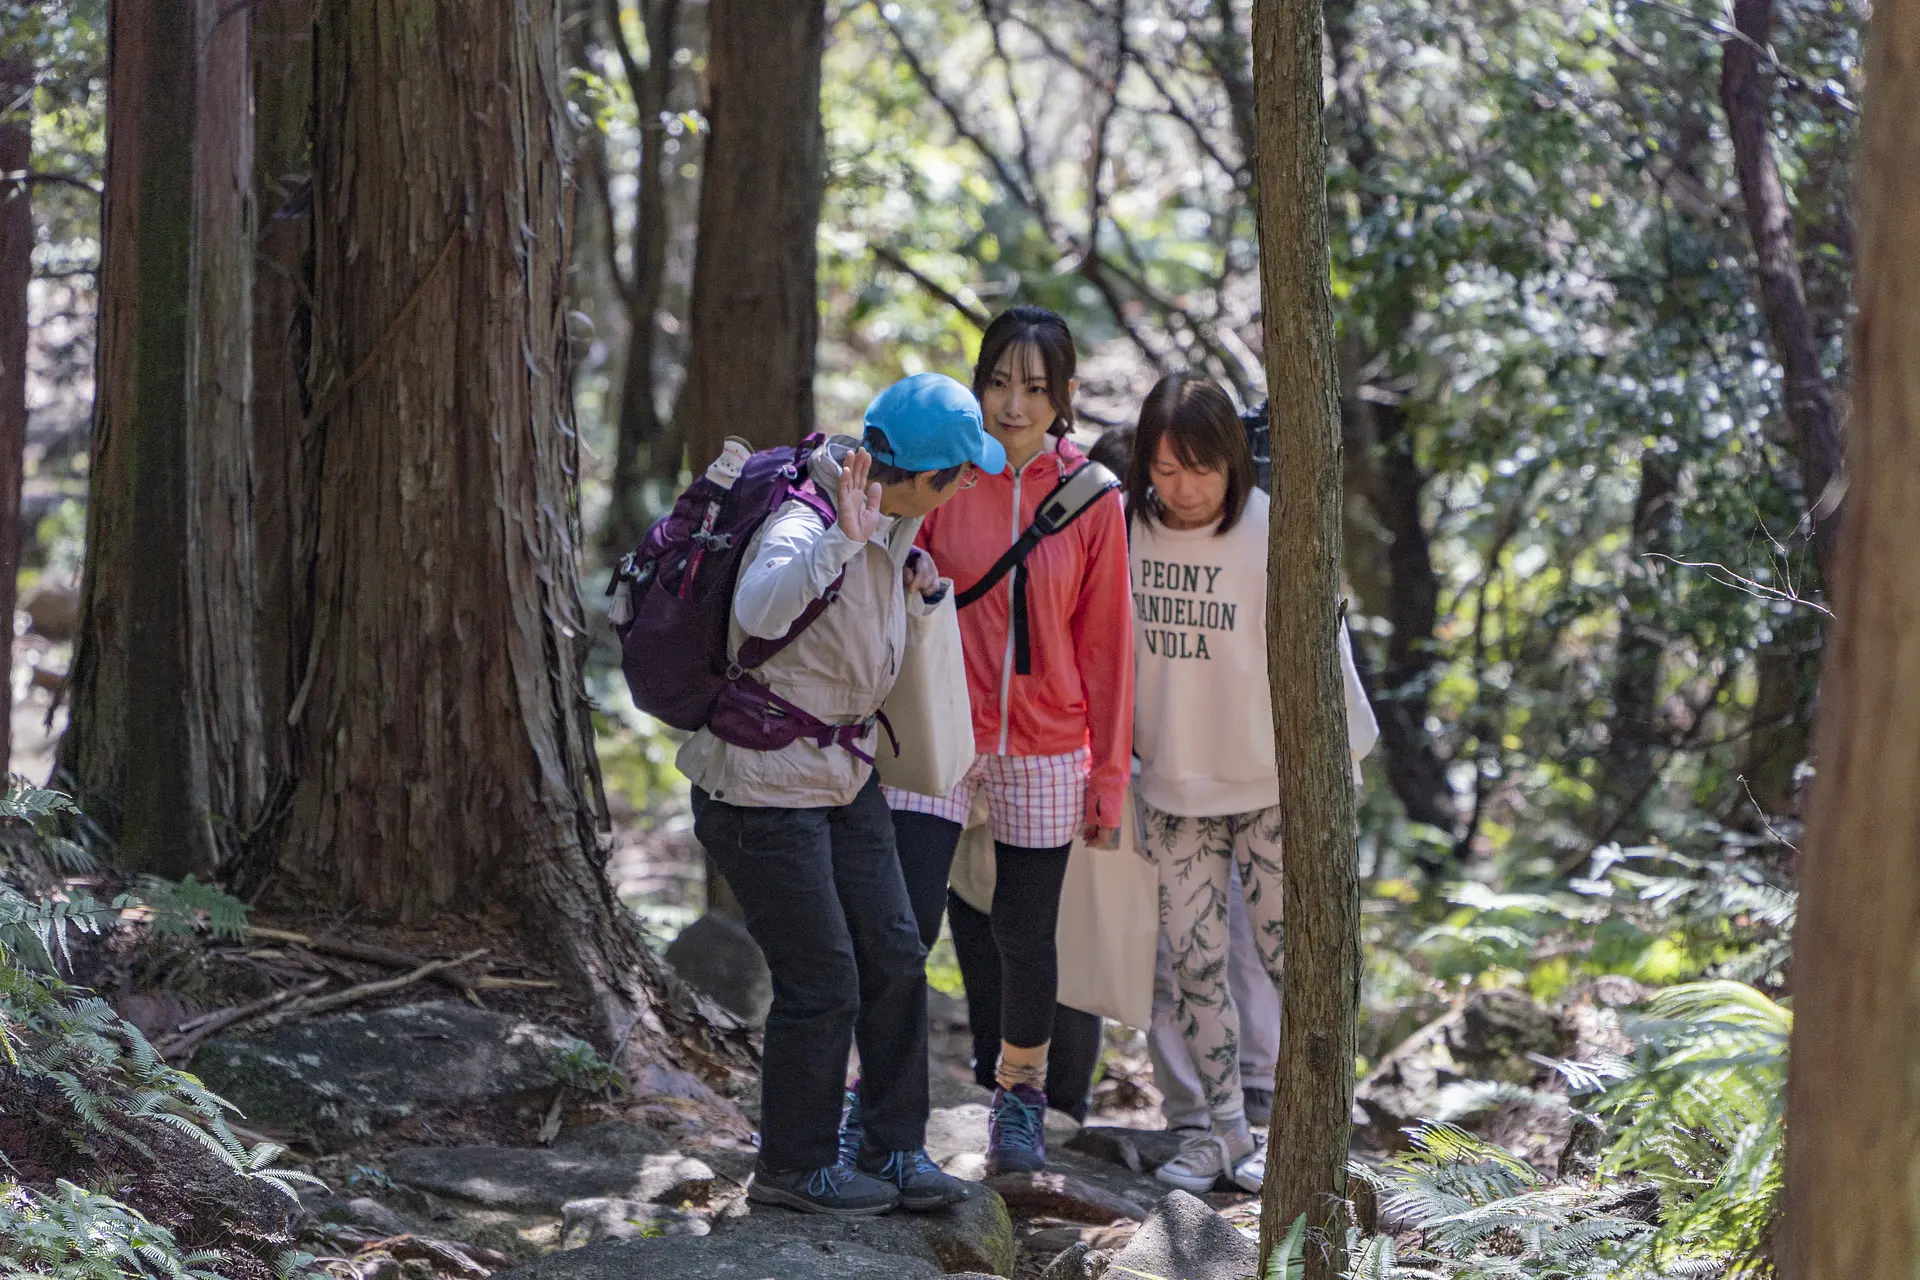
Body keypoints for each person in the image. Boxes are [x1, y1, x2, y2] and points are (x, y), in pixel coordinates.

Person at [682, 373, 1003, 1217]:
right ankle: (793, 1167)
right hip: (761, 785)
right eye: (960, 476)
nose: (966, 489)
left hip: (840, 770)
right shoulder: (811, 516)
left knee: (894, 951)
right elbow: (759, 608)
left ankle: (893, 1147)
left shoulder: (890, 515)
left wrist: (901, 571)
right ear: (926, 476)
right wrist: (841, 543)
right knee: (823, 979)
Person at [882, 306, 1134, 1175]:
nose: (1013, 405)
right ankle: (882, 1101)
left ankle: (1020, 1099)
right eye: (997, 383)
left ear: (1064, 395)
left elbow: (1108, 647)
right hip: (937, 731)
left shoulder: (1095, 497)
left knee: (1027, 935)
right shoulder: (946, 474)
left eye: (1033, 387)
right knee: (905, 923)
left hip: (1047, 743)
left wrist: (1108, 778)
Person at [1126, 373, 1378, 1194]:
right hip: (1173, 787)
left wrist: (1343, 768)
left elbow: (1327, 649)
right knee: (1194, 967)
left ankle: (1308, 1135)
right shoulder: (1125, 532)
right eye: (1166, 469)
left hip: (1271, 787)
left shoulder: (1274, 528)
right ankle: (1223, 1133)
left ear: (1234, 461)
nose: (1184, 488)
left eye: (1201, 468)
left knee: (1291, 963)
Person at [1087, 421, 1285, 1134]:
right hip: (1148, 770)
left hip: (1225, 769)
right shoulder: (1113, 538)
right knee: (1178, 946)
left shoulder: (1240, 541)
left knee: (1228, 937)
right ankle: (1201, 1109)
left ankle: (1246, 1092)